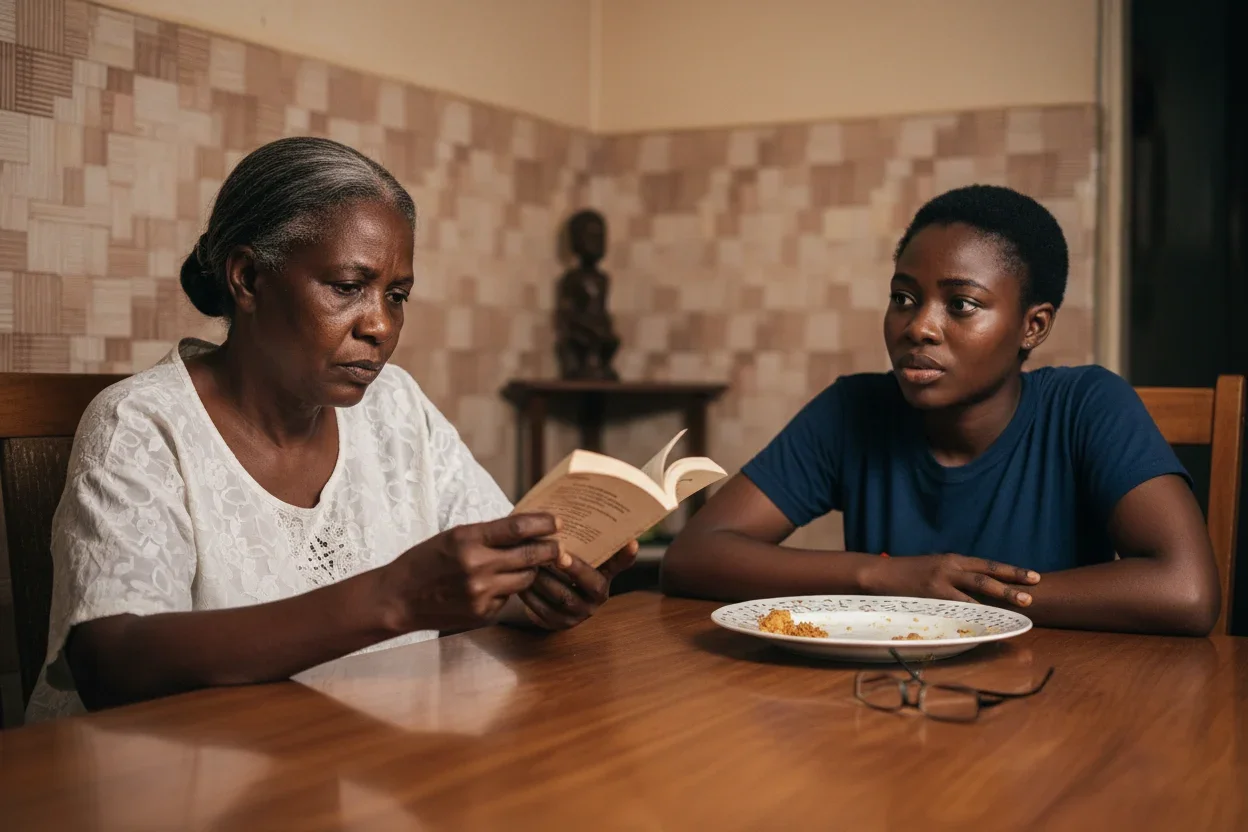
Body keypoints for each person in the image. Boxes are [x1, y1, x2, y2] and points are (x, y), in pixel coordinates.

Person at [27, 137, 636, 722]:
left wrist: (540, 596)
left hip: (354, 760)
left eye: (396, 295)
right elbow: (110, 663)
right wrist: (391, 598)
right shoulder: (143, 423)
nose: (379, 325)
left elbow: (477, 585)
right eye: (347, 287)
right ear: (247, 278)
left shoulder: (397, 407)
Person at [662, 185, 1220, 637]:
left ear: (1034, 326)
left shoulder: (1088, 406)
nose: (918, 327)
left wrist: (957, 598)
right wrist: (884, 577)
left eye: (962, 305)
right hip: (887, 712)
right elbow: (694, 555)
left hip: (1055, 713)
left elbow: (1186, 590)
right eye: (903, 297)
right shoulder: (854, 409)